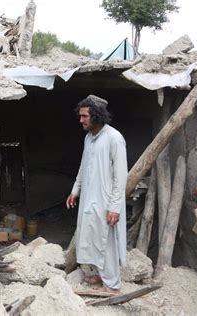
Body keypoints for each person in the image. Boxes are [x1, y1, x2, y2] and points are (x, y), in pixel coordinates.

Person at [66, 94, 128, 293]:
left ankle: (112, 284)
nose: (81, 120)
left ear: (97, 116)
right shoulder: (89, 138)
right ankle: (100, 275)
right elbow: (84, 167)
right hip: (89, 198)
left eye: (85, 116)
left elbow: (121, 176)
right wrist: (75, 191)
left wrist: (115, 207)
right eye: (80, 116)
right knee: (92, 235)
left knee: (106, 239)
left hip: (106, 199)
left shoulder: (114, 138)